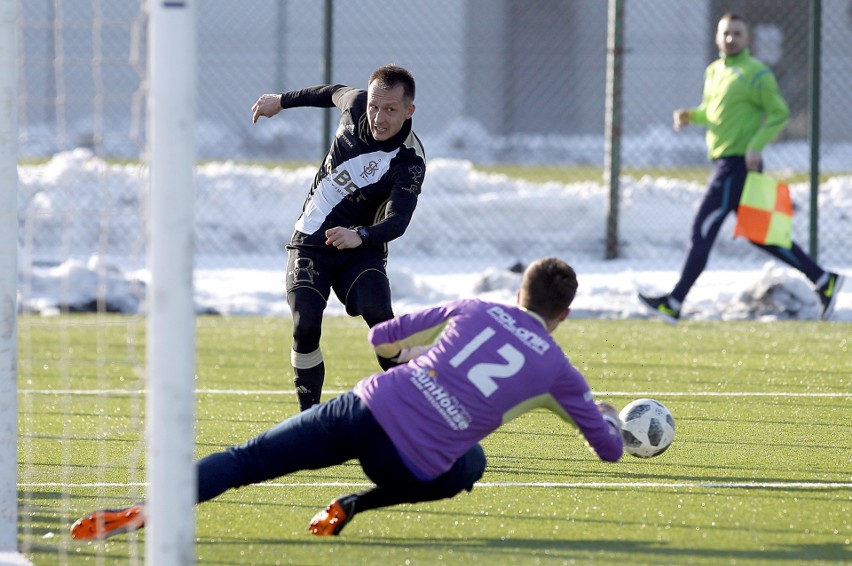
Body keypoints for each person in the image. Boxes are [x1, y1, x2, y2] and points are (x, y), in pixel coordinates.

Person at [69, 257, 624, 540]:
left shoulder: (475, 308)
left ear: (518, 294)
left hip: (367, 406)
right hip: (409, 462)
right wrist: (601, 419)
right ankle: (354, 504)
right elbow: (609, 451)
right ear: (564, 316)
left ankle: (151, 509)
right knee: (469, 463)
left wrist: (417, 367)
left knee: (248, 460)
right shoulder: (559, 372)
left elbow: (381, 336)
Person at [639, 12, 844, 324]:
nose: (731, 38)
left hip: (738, 164)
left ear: (748, 39)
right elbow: (714, 111)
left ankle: (675, 301)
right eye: (726, 33)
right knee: (761, 235)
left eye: (737, 33)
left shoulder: (757, 73)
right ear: (717, 37)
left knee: (702, 229)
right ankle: (823, 280)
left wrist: (756, 145)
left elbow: (779, 113)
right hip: (724, 161)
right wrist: (691, 116)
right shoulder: (714, 71)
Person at [251, 64, 426, 410]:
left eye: (390, 110)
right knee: (306, 324)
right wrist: (280, 101)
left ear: (409, 111)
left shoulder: (410, 161)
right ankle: (309, 421)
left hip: (360, 251)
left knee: (381, 319)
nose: (378, 117)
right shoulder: (356, 103)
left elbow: (398, 220)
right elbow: (327, 92)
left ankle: (414, 412)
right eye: (375, 106)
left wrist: (360, 235)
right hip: (311, 242)